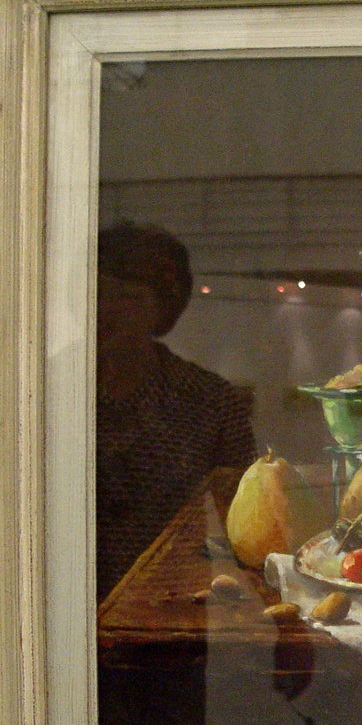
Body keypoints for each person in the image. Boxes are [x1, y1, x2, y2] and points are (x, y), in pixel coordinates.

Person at [96, 221, 256, 602]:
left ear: (162, 308)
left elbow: (246, 527)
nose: (106, 309)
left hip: (179, 606)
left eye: (127, 296)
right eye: (99, 292)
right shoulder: (48, 391)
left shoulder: (212, 403)